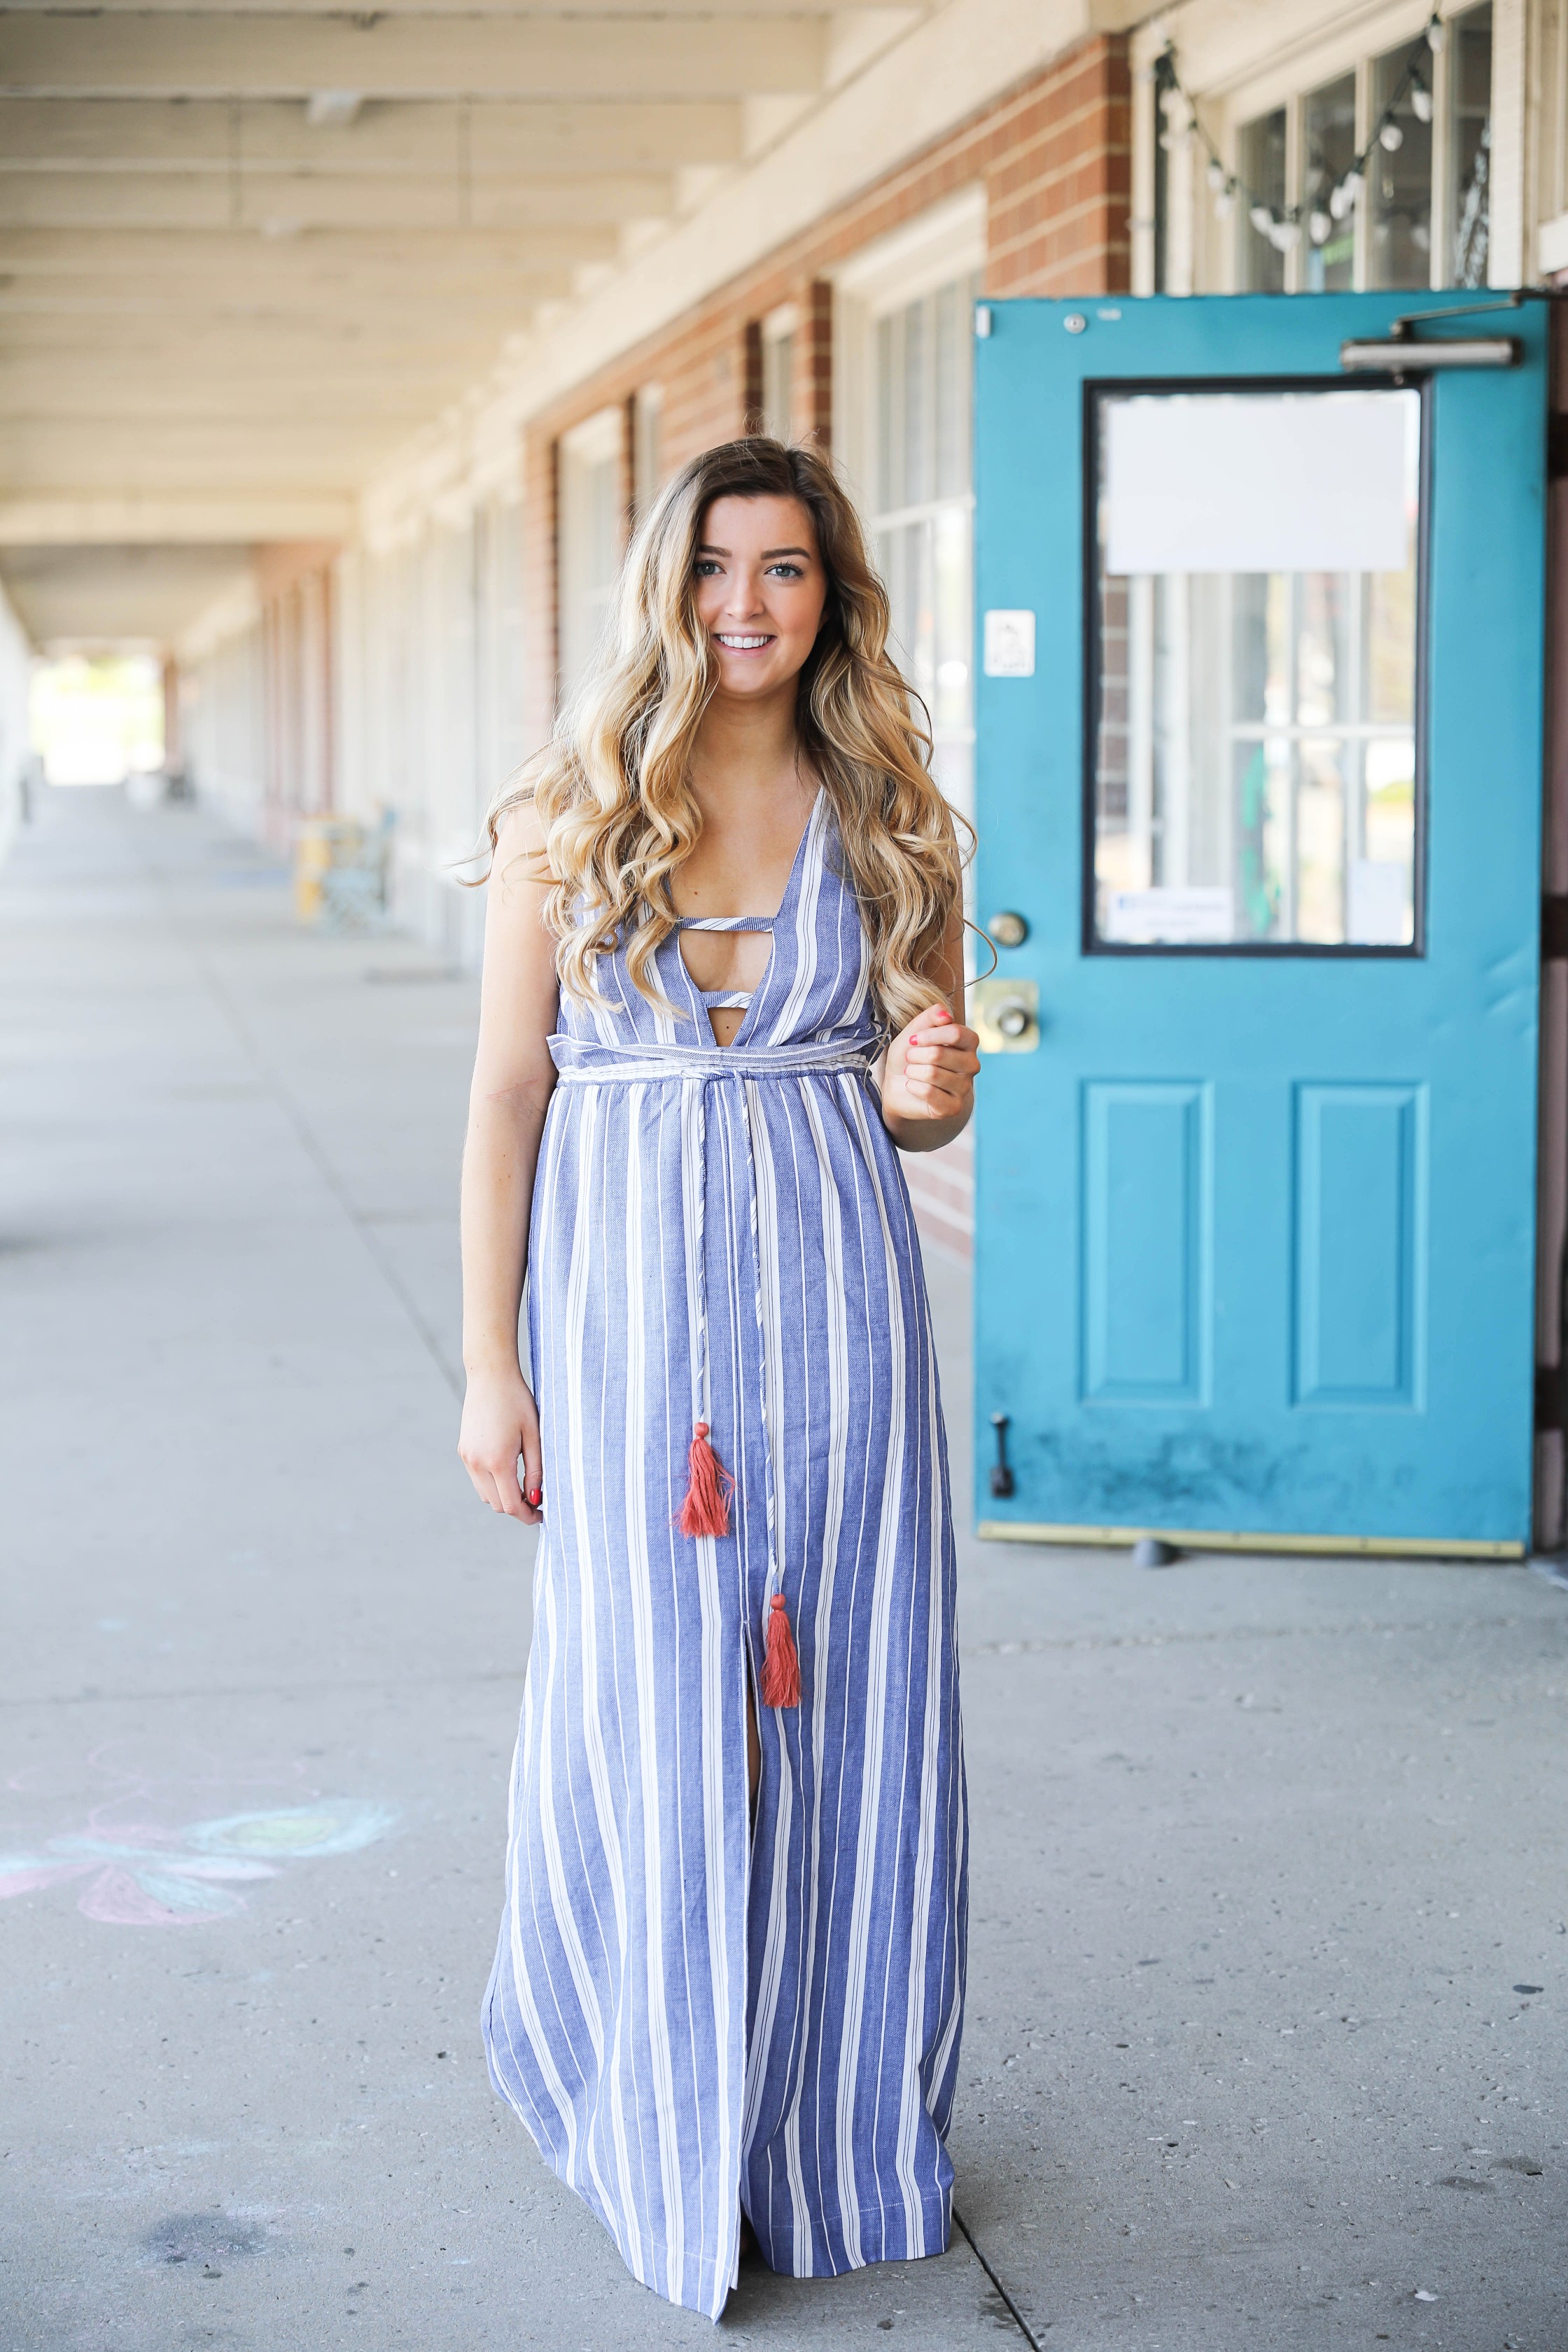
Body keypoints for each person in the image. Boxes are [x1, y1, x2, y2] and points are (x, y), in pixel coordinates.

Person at [458, 435, 978, 2322]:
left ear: (832, 595)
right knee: (647, 1711)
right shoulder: (565, 814)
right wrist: (489, 1370)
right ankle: (658, 2111)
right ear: (663, 588)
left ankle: (827, 2139)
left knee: (850, 1720)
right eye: (717, 568)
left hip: (839, 1312)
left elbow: (925, 1083)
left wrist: (938, 1088)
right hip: (626, 1334)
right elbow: (509, 1099)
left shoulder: (881, 803)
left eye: (788, 571)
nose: (748, 606)